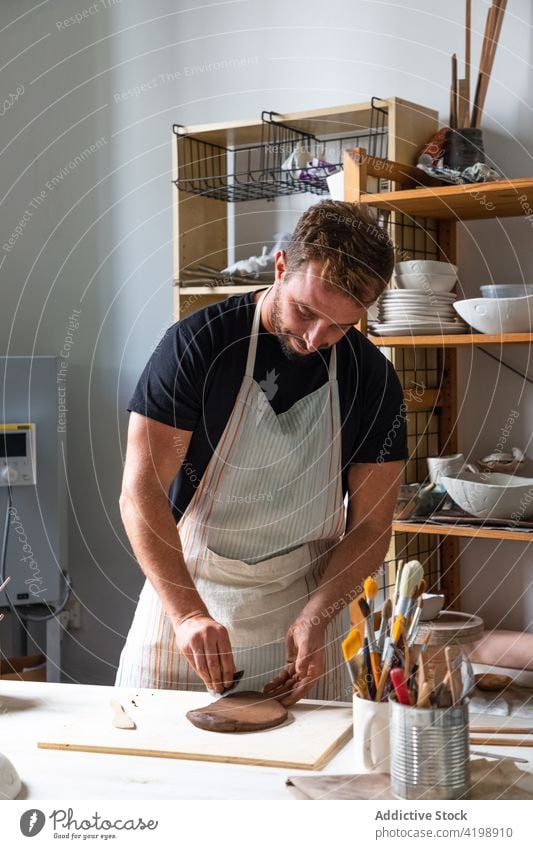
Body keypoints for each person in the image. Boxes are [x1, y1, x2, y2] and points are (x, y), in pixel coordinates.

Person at [116, 199, 407, 705]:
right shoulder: (198, 346)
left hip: (307, 610)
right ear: (279, 267)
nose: (317, 339)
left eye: (342, 325)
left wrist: (318, 616)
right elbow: (140, 494)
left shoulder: (374, 380)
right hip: (188, 595)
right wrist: (187, 614)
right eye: (306, 311)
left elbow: (370, 525)